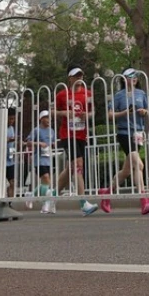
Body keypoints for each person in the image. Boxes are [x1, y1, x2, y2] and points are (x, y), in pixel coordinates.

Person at [109, 69, 149, 215]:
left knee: (127, 170)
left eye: (135, 76)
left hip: (138, 133)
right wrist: (125, 113)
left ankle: (107, 192)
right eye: (130, 76)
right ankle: (144, 200)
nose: (133, 78)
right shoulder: (119, 96)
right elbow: (110, 114)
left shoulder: (141, 93)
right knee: (139, 164)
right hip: (124, 132)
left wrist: (144, 112)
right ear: (124, 78)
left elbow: (147, 110)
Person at [55, 67, 97, 216]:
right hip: (67, 134)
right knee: (78, 165)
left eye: (81, 75)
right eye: (76, 76)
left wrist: (87, 115)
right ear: (70, 78)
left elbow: (93, 111)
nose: (79, 78)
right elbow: (53, 111)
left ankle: (51, 197)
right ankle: (83, 202)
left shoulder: (88, 93)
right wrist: (65, 113)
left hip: (81, 134)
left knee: (70, 168)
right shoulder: (62, 94)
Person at [28, 110, 58, 214]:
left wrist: (53, 145)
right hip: (39, 159)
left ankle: (31, 196)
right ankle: (46, 203)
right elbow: (28, 142)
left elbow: (53, 142)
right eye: (46, 117)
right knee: (46, 178)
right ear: (41, 119)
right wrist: (39, 143)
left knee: (45, 182)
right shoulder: (36, 130)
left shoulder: (52, 131)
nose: (49, 120)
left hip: (48, 159)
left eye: (50, 118)